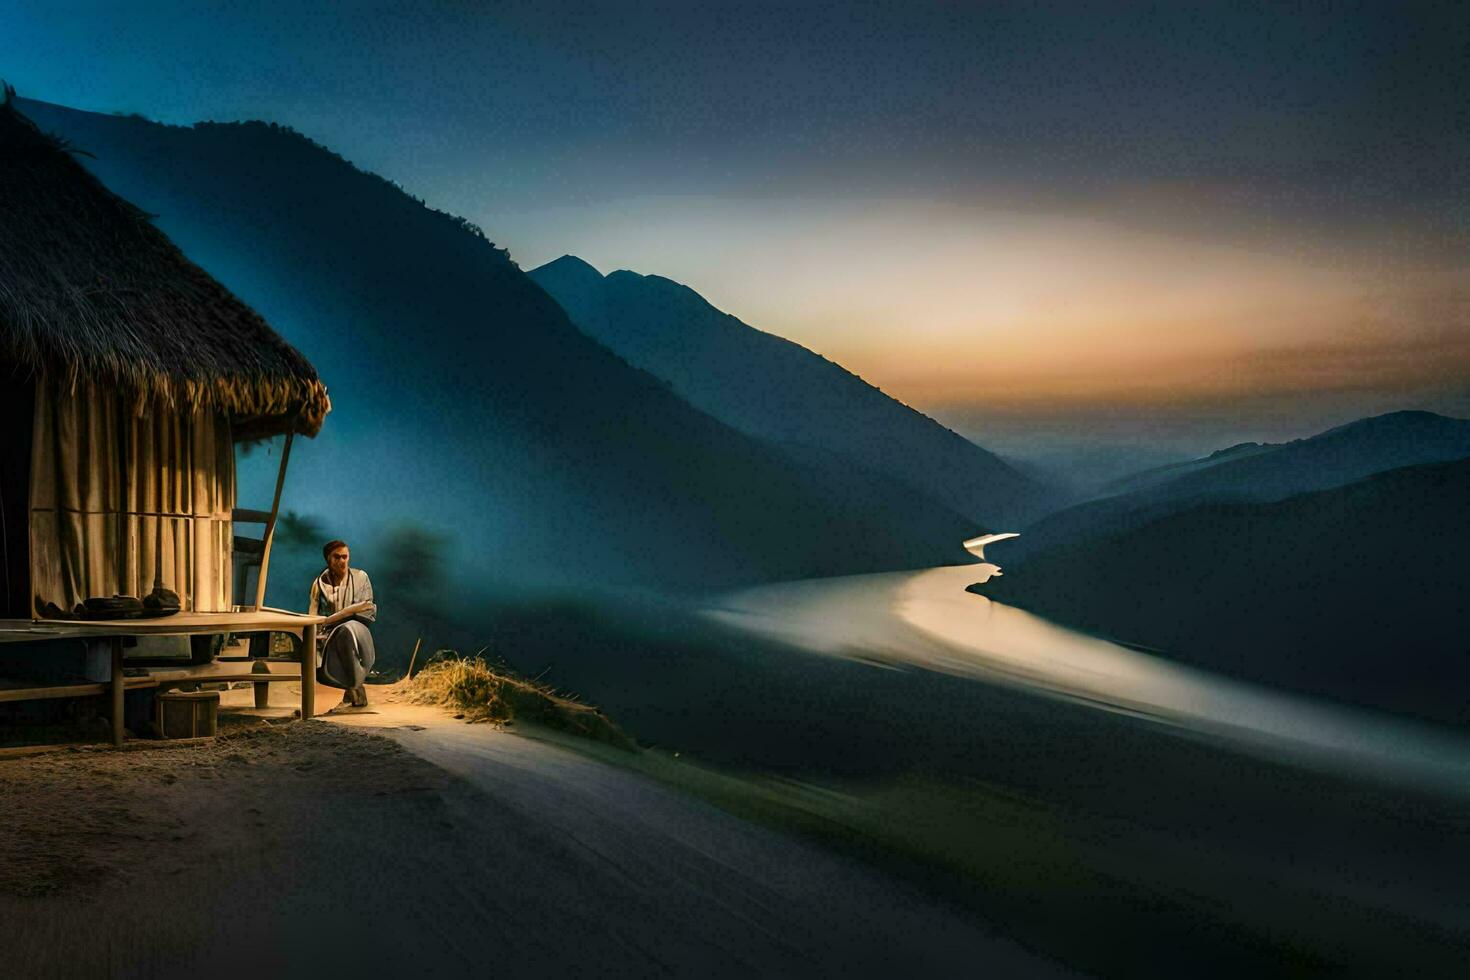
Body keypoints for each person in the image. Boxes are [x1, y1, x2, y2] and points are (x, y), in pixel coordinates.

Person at [307, 539, 377, 708]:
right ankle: (354, 690)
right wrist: (314, 630)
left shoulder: (361, 577)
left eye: (345, 557)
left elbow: (365, 609)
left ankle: (354, 686)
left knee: (346, 630)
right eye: (337, 557)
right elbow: (312, 613)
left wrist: (331, 619)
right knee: (333, 639)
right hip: (330, 632)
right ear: (328, 559)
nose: (342, 561)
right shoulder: (319, 583)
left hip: (357, 629)